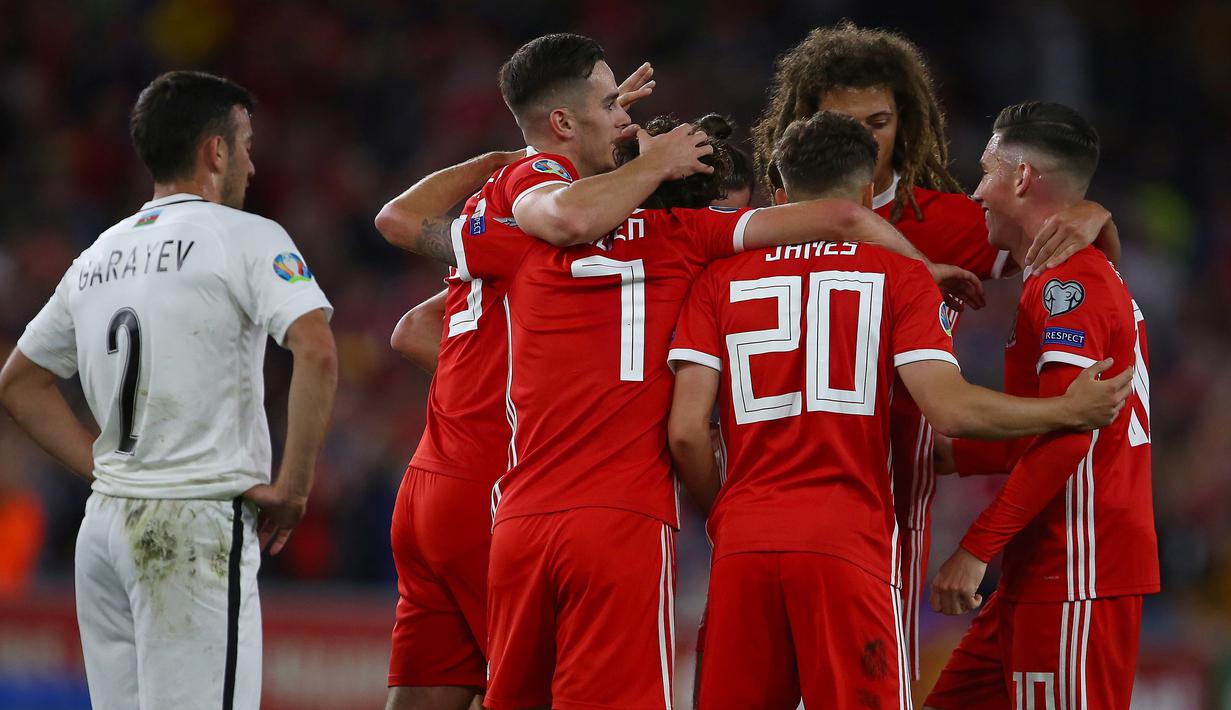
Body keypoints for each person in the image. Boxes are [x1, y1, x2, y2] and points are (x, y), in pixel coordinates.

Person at [376, 33, 982, 709]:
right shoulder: (687, 251)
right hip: (584, 511)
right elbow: (839, 218)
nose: (618, 115)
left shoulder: (518, 243)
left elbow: (403, 251)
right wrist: (915, 272)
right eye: (608, 103)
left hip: (479, 492)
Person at [665, 111, 1131, 710]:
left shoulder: (716, 280)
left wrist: (726, 514)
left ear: (779, 195)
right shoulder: (900, 276)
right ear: (866, 195)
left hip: (742, 547)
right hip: (846, 540)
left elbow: (685, 434)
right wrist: (1066, 412)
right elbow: (952, 409)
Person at [750, 22, 1121, 677]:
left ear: (908, 122)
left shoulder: (946, 220)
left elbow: (1081, 275)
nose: (863, 138)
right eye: (842, 121)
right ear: (802, 124)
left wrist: (1091, 215)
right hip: (771, 486)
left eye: (879, 120)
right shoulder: (759, 224)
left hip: (888, 497)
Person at [0, 70, 337, 710]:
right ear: (216, 151)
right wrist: (293, 489)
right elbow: (316, 350)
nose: (253, 164)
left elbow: (19, 383)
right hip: (192, 525)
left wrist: (106, 470)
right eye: (245, 144)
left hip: (102, 535)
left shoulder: (98, 255)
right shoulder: (247, 236)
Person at [378, 60, 665, 710]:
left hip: (428, 485)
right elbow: (569, 215)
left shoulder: (492, 221)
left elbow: (409, 312)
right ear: (563, 121)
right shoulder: (548, 218)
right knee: (530, 692)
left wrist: (503, 159)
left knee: (427, 694)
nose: (624, 116)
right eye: (611, 102)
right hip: (495, 485)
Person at [923, 103, 1157, 710]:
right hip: (1043, 571)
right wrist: (953, 454)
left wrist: (975, 552)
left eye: (985, 171)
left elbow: (1070, 436)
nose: (975, 191)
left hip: (1077, 567)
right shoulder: (1056, 277)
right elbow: (1049, 423)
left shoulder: (1068, 286)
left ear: (1022, 178)